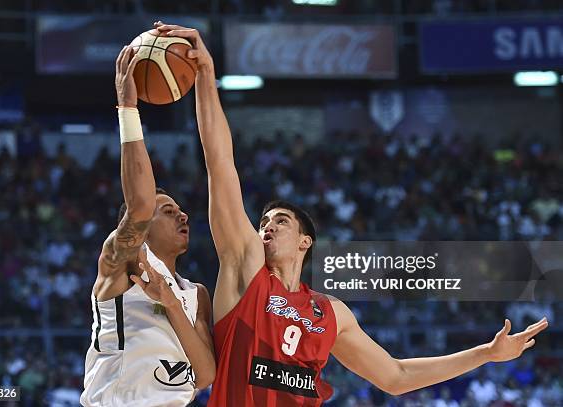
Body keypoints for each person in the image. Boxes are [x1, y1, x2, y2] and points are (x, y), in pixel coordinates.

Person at [152, 22, 549, 406]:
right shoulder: (245, 274)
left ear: (306, 241)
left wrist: (485, 353)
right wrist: (206, 75)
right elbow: (220, 164)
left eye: (280, 221)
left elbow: (395, 377)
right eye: (263, 223)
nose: (267, 226)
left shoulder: (331, 312)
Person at [80, 44, 215, 407]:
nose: (183, 215)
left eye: (181, 210)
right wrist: (128, 107)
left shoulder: (196, 293)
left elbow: (205, 376)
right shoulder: (121, 261)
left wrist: (170, 302)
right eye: (168, 210)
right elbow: (139, 205)